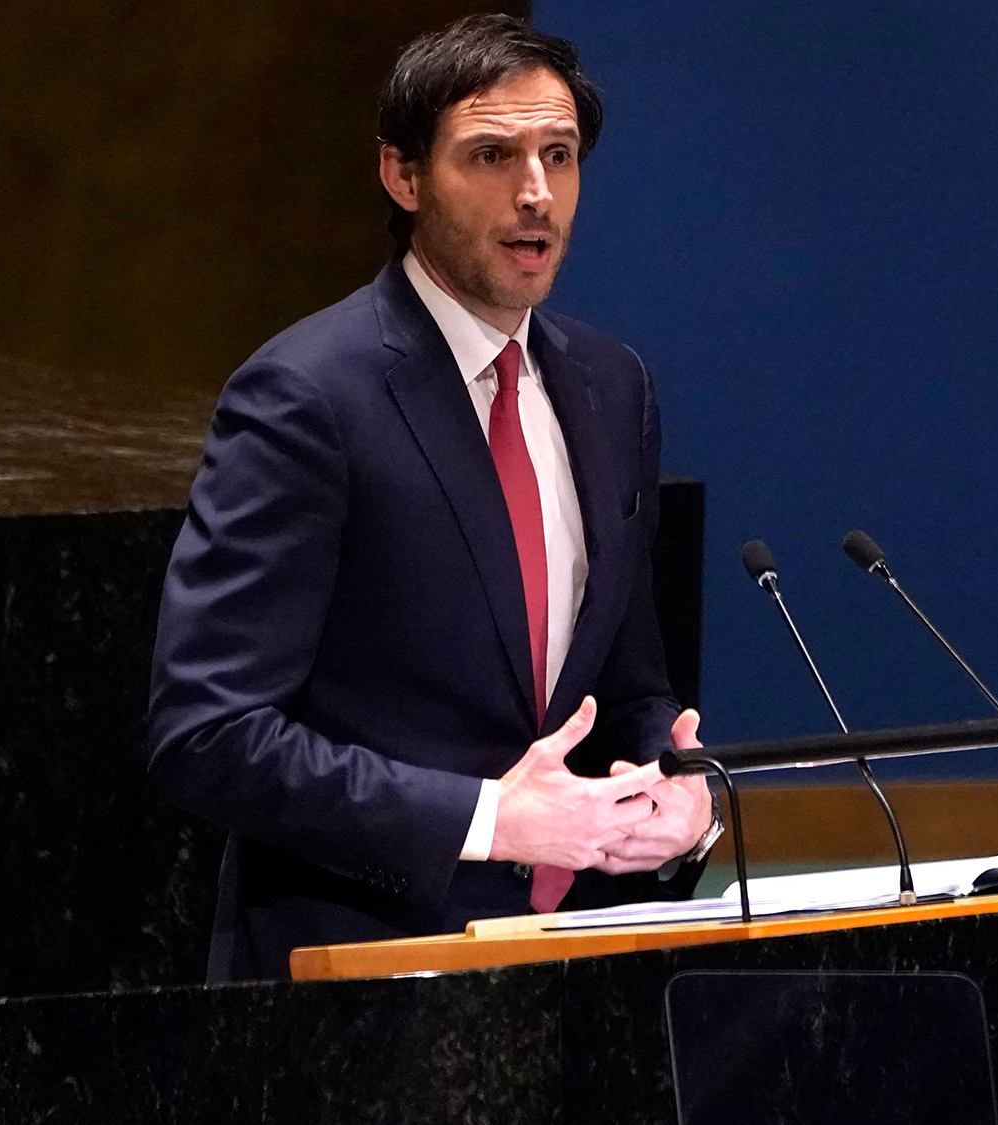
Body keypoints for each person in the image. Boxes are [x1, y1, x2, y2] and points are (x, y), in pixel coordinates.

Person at [146, 13, 718, 983]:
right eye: (490, 155)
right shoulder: (307, 398)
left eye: (558, 155)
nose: (534, 192)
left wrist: (676, 781)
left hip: (576, 963)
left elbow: (623, 688)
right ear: (403, 177)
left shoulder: (614, 388)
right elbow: (207, 736)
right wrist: (491, 818)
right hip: (358, 971)